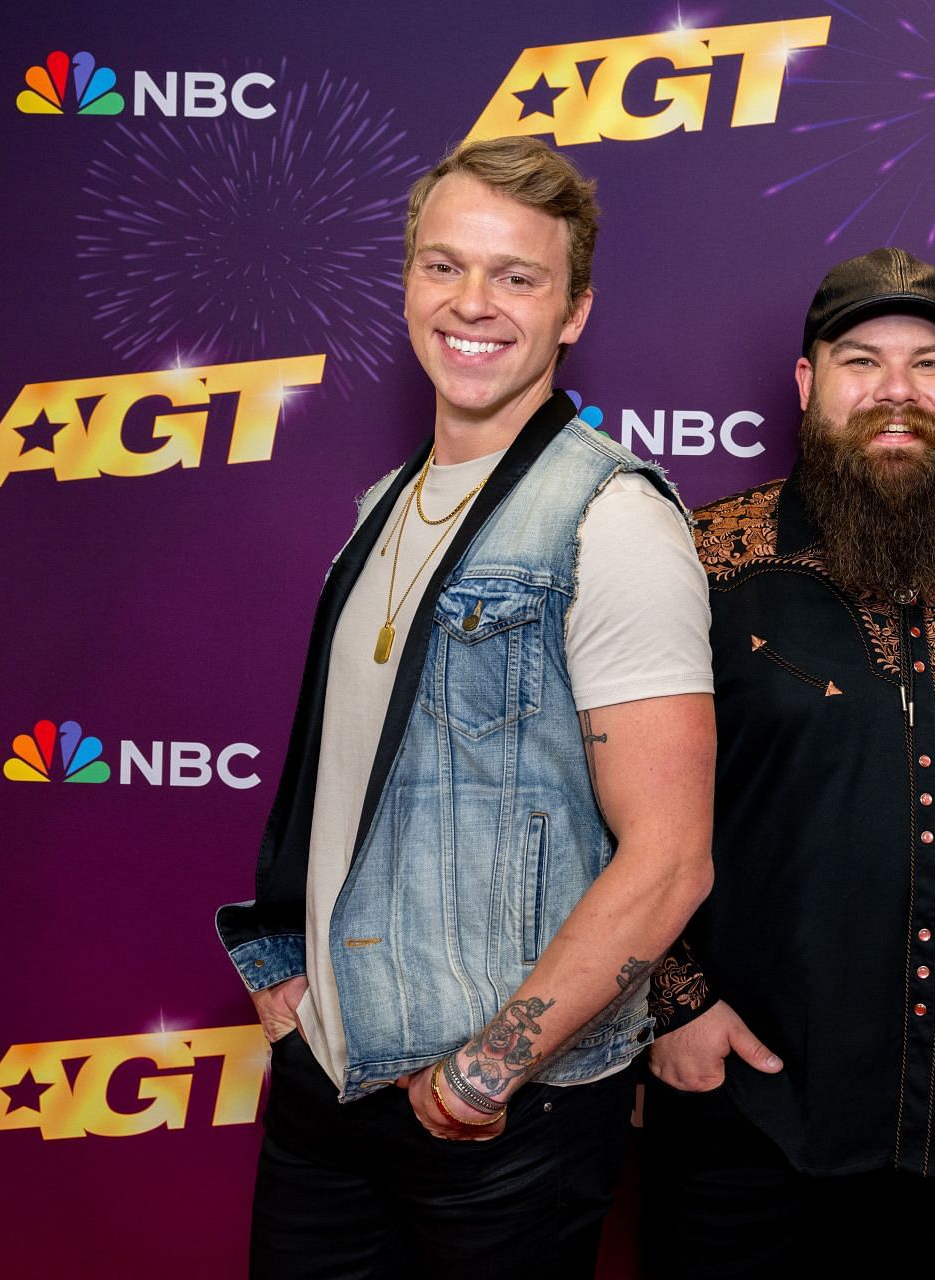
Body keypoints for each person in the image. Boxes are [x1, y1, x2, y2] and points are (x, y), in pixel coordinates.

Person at [214, 136, 716, 1274]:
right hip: (328, 1087)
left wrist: (482, 1072)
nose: (472, 304)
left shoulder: (613, 517)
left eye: (517, 275)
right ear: (407, 285)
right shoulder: (384, 505)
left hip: (489, 1122)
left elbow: (673, 857)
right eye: (444, 267)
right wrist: (292, 984)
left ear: (573, 307)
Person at [641, 248, 935, 1278]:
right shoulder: (700, 564)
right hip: (738, 1111)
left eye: (928, 363)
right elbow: (591, 796)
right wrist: (675, 1003)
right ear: (807, 384)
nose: (897, 391)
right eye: (860, 360)